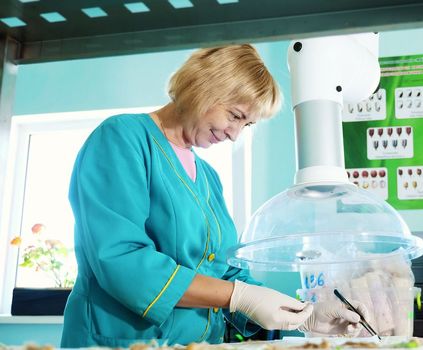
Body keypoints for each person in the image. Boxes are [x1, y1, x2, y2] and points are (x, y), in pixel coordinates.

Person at [60, 44, 369, 348]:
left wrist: (305, 317)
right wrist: (238, 296)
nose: (235, 134)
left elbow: (224, 271)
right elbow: (121, 257)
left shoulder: (208, 177)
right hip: (122, 342)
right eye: (235, 116)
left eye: (246, 125)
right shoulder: (122, 138)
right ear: (203, 88)